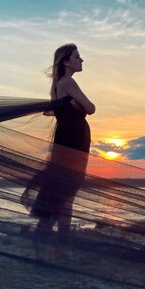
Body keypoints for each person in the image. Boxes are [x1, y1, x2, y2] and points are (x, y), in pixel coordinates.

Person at [29, 43, 95, 249]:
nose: (81, 60)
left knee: (62, 194)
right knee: (65, 194)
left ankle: (48, 244)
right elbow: (92, 108)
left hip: (70, 138)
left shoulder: (61, 84)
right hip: (73, 140)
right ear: (66, 62)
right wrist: (81, 106)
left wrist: (76, 107)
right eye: (77, 57)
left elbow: (60, 110)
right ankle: (58, 245)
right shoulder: (67, 82)